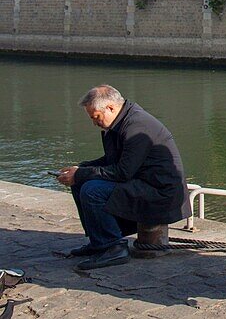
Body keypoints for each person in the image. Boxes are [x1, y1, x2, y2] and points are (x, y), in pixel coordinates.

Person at [56, 85, 190, 271]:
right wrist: (81, 168)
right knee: (80, 183)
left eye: (96, 117)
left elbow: (122, 172)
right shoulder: (122, 122)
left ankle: (113, 247)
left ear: (110, 108)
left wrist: (81, 173)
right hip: (144, 183)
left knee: (91, 190)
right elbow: (113, 161)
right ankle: (99, 241)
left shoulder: (137, 126)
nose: (95, 123)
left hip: (160, 193)